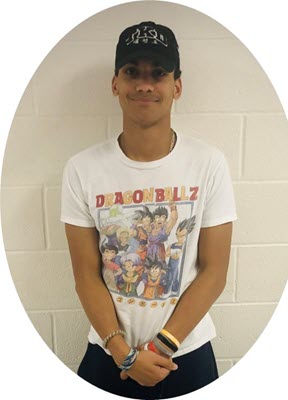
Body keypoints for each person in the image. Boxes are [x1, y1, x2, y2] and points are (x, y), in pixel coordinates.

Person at [61, 21, 237, 399]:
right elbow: (86, 274)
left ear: (176, 85)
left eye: (158, 73)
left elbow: (215, 270)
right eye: (132, 72)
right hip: (109, 354)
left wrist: (161, 347)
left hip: (185, 352)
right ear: (115, 83)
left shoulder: (209, 163)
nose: (144, 84)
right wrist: (124, 355)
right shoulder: (81, 169)